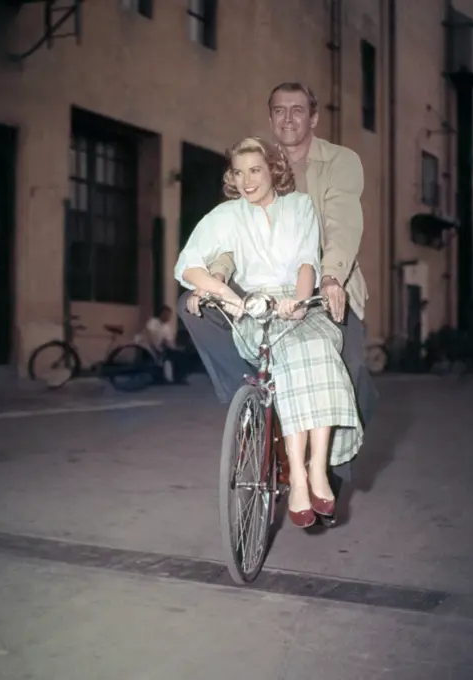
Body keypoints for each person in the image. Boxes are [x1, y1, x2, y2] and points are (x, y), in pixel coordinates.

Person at [178, 82, 378, 500]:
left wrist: (330, 277)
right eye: (279, 111)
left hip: (328, 283)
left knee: (353, 365)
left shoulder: (340, 162)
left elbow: (342, 228)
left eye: (298, 110)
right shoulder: (255, 164)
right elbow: (233, 239)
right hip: (262, 288)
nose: (288, 118)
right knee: (194, 308)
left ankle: (329, 465)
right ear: (270, 118)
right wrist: (213, 278)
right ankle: (253, 405)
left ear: (314, 117)